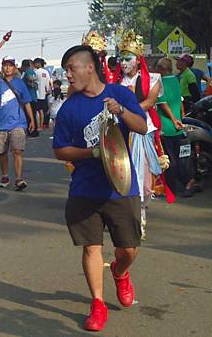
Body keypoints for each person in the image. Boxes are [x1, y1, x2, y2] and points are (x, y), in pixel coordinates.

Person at [52, 44, 147, 332]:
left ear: (90, 67)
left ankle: (120, 273)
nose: (68, 75)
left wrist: (121, 113)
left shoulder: (119, 94)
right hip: (85, 188)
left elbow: (142, 127)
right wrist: (92, 154)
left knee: (129, 248)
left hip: (121, 186)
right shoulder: (69, 108)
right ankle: (97, 303)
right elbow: (60, 151)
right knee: (91, 248)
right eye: (66, 69)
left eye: (72, 68)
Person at [115, 30, 173, 239]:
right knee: (120, 177)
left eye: (128, 59)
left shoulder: (154, 79)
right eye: (121, 59)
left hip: (142, 133)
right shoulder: (115, 83)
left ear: (138, 61)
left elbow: (149, 103)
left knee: (146, 183)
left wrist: (125, 110)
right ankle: (128, 217)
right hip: (120, 135)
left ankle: (141, 212)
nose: (123, 63)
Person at [0, 56, 35, 190]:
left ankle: (19, 178)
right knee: (2, 152)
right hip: (0, 124)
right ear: (2, 67)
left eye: (10, 65)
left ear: (14, 68)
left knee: (17, 151)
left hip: (19, 123)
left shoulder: (20, 83)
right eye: (5, 65)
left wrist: (32, 120)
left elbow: (27, 102)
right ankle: (5, 175)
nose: (8, 68)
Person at [155, 58, 198, 198]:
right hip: (177, 126)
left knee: (169, 160)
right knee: (178, 158)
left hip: (166, 127)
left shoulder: (160, 83)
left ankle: (174, 186)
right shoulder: (176, 79)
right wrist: (180, 117)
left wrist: (173, 119)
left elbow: (163, 104)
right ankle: (185, 182)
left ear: (161, 69)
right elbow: (179, 100)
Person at [21, 59, 39, 136]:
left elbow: (30, 79)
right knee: (32, 115)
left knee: (29, 116)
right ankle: (34, 131)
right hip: (33, 97)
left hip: (29, 98)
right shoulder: (32, 71)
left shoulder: (28, 71)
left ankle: (32, 131)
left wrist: (30, 82)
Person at [33, 58, 51, 131]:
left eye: (35, 63)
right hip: (43, 95)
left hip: (35, 94)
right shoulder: (46, 72)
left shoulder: (36, 72)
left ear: (38, 63)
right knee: (41, 111)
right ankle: (41, 126)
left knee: (35, 111)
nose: (34, 65)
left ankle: (36, 126)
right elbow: (48, 84)